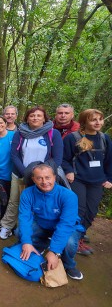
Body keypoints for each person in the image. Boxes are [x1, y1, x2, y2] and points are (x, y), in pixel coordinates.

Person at [0, 106, 63, 240]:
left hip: (43, 177)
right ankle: (6, 226)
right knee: (15, 200)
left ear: (44, 118)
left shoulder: (53, 133)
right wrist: (26, 173)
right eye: (32, 115)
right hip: (20, 173)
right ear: (27, 118)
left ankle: (38, 231)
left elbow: (57, 158)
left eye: (39, 115)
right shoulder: (20, 133)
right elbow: (14, 155)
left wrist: (42, 175)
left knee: (41, 202)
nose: (35, 118)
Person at [19, 164, 84, 280]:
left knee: (69, 242)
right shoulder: (27, 193)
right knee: (20, 232)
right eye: (39, 178)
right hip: (42, 224)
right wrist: (26, 242)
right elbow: (24, 218)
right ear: (33, 179)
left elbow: (65, 225)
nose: (44, 182)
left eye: (48, 177)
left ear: (55, 177)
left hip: (65, 227)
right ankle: (41, 244)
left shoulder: (69, 196)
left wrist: (54, 251)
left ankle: (69, 264)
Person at [62, 109, 112, 255]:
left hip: (97, 181)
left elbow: (109, 161)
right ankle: (74, 241)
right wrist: (68, 171)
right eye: (93, 119)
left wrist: (109, 179)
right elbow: (64, 159)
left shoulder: (104, 138)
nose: (98, 123)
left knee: (91, 212)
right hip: (78, 180)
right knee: (79, 210)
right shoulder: (72, 138)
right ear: (84, 122)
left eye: (100, 119)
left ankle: (80, 236)